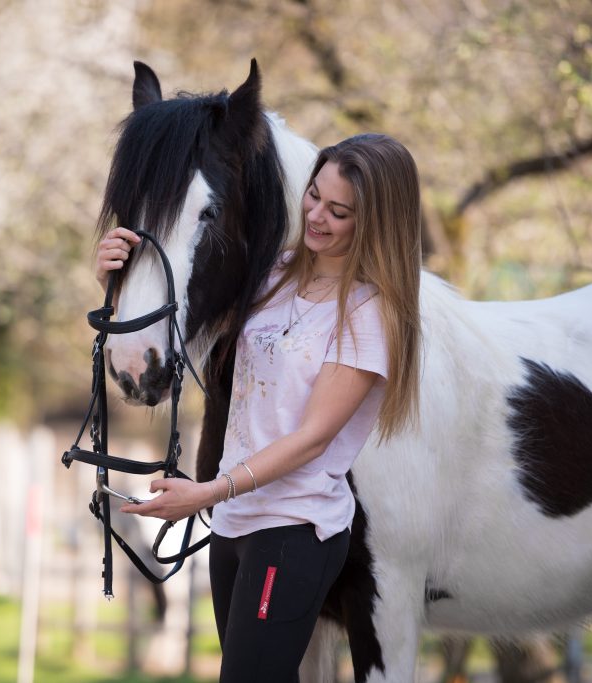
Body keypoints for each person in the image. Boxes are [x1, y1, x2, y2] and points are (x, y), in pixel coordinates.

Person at [95, 133, 422, 681]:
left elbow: (313, 438)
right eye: (314, 195)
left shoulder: (367, 316)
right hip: (235, 526)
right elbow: (183, 309)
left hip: (294, 528)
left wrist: (206, 491)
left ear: (374, 222)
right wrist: (114, 278)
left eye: (338, 211)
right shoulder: (272, 275)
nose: (315, 216)